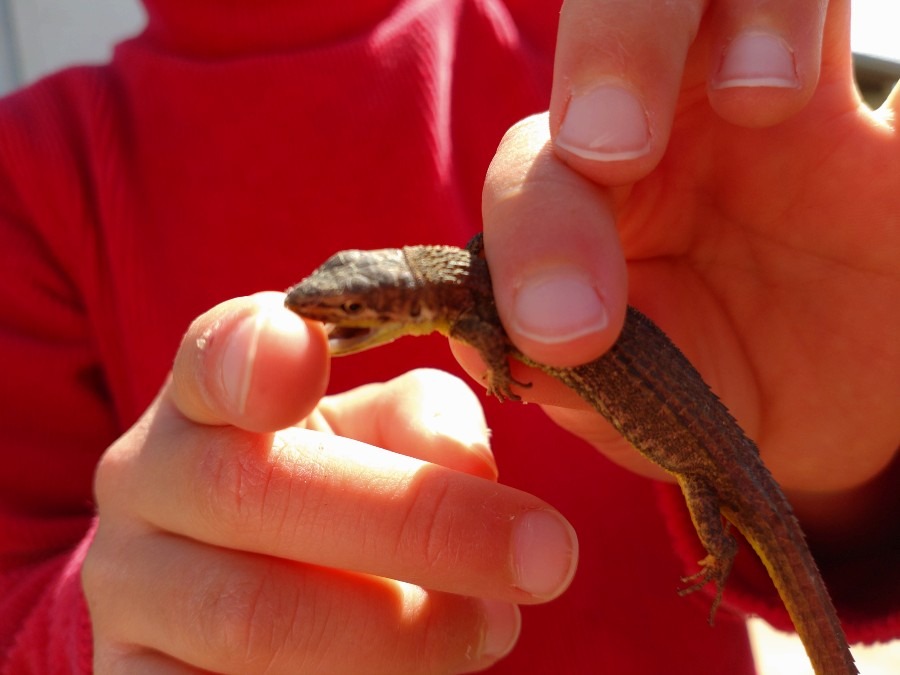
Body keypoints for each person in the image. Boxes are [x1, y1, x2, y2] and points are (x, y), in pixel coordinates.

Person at [0, 0, 897, 672]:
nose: (337, 328)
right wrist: (109, 622)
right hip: (710, 447)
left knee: (724, 506)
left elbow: (487, 332)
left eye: (358, 315)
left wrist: (857, 474)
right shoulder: (42, 177)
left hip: (723, 460)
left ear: (401, 300)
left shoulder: (581, 54)